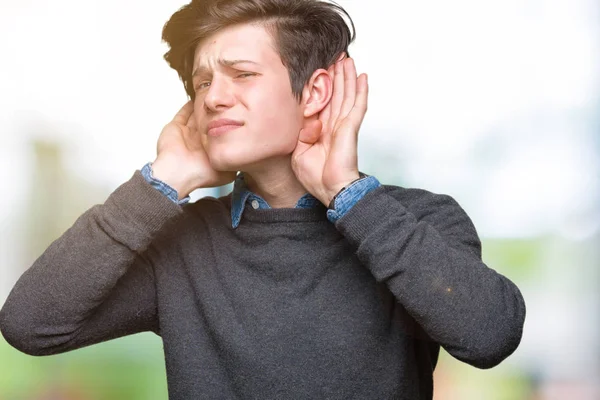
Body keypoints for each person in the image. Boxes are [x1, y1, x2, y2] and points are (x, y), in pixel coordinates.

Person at [0, 0, 526, 399]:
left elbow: (490, 337)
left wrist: (350, 196)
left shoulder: (416, 220)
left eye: (242, 75)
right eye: (202, 82)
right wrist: (164, 178)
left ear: (315, 92)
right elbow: (30, 325)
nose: (212, 97)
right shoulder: (180, 242)